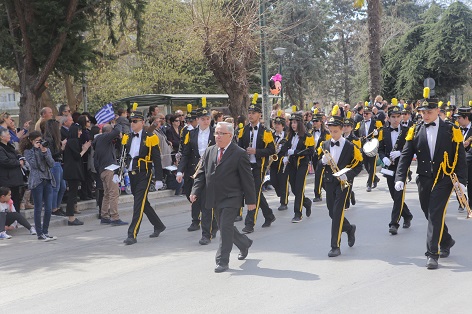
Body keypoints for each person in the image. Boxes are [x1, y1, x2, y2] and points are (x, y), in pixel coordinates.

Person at [395, 91, 466, 269]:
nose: (425, 115)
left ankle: (432, 254)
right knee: (428, 212)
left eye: (429, 112)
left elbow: (460, 157)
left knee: (435, 212)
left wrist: (462, 181)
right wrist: (400, 177)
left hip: (444, 178)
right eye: (422, 112)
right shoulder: (415, 129)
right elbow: (405, 155)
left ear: (437, 111)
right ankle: (447, 240)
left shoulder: (451, 130)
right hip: (425, 178)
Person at [190, 122, 256, 273]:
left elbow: (247, 180)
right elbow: (201, 174)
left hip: (232, 196)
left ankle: (222, 261)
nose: (217, 136)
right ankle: (244, 243)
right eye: (216, 133)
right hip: (215, 196)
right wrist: (195, 191)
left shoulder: (239, 153)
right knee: (224, 226)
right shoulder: (209, 151)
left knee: (225, 226)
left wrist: (251, 201)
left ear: (230, 136)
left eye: (221, 133)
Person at [319, 115, 362, 257]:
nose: (333, 134)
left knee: (337, 213)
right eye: (330, 131)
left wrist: (348, 175)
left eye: (335, 131)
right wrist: (322, 162)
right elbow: (319, 165)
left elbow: (358, 165)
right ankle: (349, 228)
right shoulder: (325, 145)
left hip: (343, 184)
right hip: (329, 183)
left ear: (342, 129)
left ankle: (335, 246)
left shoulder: (351, 147)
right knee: (332, 212)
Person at [123, 110, 166, 245]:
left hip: (144, 173)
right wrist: (118, 173)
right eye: (131, 121)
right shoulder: (127, 137)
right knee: (142, 203)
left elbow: (157, 159)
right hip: (132, 173)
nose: (132, 123)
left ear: (142, 123)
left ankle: (132, 234)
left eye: (135, 121)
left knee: (138, 204)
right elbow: (123, 156)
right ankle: (158, 225)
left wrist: (159, 178)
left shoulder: (150, 137)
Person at [177, 106, 217, 244]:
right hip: (194, 171)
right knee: (192, 196)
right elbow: (186, 154)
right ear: (197, 120)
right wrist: (179, 170)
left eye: (208, 119)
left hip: (211, 171)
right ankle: (212, 222)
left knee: (206, 202)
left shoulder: (216, 133)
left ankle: (206, 234)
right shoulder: (191, 134)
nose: (206, 121)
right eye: (203, 119)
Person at [237, 102, 276, 233]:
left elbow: (272, 150)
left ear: (259, 115)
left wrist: (256, 151)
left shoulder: (266, 131)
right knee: (255, 192)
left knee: (253, 194)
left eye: (253, 113)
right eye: (249, 113)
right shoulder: (243, 131)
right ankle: (269, 215)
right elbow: (239, 147)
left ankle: (250, 223)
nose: (250, 115)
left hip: (259, 166)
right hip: (246, 166)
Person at [378, 106, 413, 235]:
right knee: (394, 195)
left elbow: (411, 148)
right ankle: (407, 215)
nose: (396, 119)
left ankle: (394, 224)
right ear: (388, 118)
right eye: (393, 117)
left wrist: (401, 153)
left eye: (398, 116)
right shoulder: (384, 131)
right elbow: (380, 149)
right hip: (389, 166)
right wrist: (384, 159)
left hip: (402, 166)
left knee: (398, 194)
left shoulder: (407, 130)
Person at [20, 131, 57, 241]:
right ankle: (39, 233)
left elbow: (51, 164)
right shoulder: (28, 152)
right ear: (31, 141)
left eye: (40, 140)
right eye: (37, 141)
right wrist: (36, 150)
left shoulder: (46, 149)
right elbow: (34, 165)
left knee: (49, 208)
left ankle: (45, 231)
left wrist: (44, 151)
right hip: (37, 181)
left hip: (48, 179)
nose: (39, 143)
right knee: (38, 208)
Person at [280, 110, 314, 222]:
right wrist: (283, 155)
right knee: (294, 189)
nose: (293, 125)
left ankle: (297, 213)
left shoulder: (307, 136)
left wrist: (295, 152)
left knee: (299, 188)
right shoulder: (289, 135)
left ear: (300, 123)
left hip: (302, 164)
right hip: (291, 164)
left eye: (295, 122)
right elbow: (285, 148)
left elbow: (310, 151)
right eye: (292, 122)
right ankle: (306, 202)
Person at [93, 123, 128, 226]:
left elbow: (118, 144)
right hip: (109, 169)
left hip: (103, 170)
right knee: (114, 193)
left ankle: (104, 216)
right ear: (109, 132)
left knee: (107, 194)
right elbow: (117, 131)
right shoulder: (104, 137)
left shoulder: (100, 141)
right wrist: (117, 124)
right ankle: (115, 217)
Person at [63, 124, 90, 226]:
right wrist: (84, 149)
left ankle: (71, 215)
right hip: (73, 171)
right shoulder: (73, 141)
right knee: (72, 194)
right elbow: (77, 156)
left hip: (71, 170)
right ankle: (71, 217)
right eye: (79, 131)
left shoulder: (70, 141)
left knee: (73, 194)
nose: (81, 133)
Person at [354, 104, 383, 192]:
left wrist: (377, 132)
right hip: (363, 147)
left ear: (371, 114)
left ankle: (369, 183)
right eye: (364, 113)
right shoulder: (360, 123)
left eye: (367, 113)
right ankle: (375, 178)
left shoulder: (376, 122)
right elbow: (355, 133)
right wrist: (358, 138)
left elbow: (381, 131)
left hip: (372, 146)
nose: (365, 115)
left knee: (372, 165)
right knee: (366, 165)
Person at [43, 119, 67, 216]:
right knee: (55, 187)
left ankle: (57, 205)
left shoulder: (53, 139)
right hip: (54, 164)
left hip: (58, 164)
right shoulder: (49, 140)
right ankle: (53, 208)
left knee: (63, 186)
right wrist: (62, 149)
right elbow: (51, 154)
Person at [0, 128, 26, 213]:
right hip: (7, 178)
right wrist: (18, 162)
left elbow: (16, 154)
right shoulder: (1, 148)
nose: (10, 136)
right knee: (8, 200)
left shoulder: (9, 146)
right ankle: (9, 220)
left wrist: (20, 158)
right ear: (1, 137)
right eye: (7, 134)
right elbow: (5, 161)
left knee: (15, 199)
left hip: (14, 178)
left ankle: (15, 218)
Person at [270, 112, 289, 211]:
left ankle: (284, 202)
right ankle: (281, 193)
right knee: (273, 180)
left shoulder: (287, 136)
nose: (276, 125)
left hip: (283, 161)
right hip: (273, 162)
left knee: (283, 182)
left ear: (282, 126)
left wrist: (287, 156)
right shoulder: (271, 135)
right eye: (275, 124)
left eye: (278, 124)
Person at [312, 109, 331, 202]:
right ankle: (332, 191)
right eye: (313, 121)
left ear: (320, 122)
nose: (314, 123)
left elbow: (329, 145)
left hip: (323, 157)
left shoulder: (326, 133)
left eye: (316, 121)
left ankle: (317, 194)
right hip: (314, 157)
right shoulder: (310, 132)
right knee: (320, 177)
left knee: (318, 175)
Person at [77, 115, 93, 200]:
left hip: (88, 155)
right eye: (87, 121)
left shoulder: (87, 131)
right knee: (85, 176)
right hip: (84, 157)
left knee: (88, 177)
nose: (89, 123)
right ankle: (85, 193)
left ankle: (88, 193)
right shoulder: (83, 133)